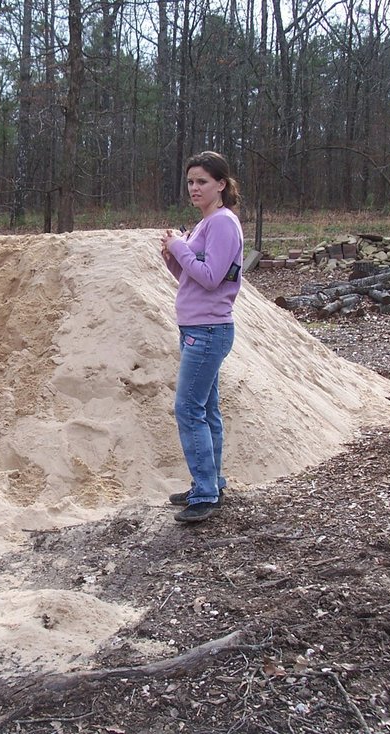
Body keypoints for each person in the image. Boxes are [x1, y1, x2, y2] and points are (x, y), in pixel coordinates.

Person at [159, 151, 244, 523]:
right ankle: (209, 482)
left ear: (221, 184)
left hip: (208, 329)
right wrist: (173, 256)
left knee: (188, 409)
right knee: (206, 410)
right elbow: (193, 280)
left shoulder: (222, 223)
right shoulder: (206, 223)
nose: (194, 188)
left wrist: (179, 247)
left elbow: (211, 278)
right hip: (197, 326)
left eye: (202, 182)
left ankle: (206, 493)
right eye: (190, 182)